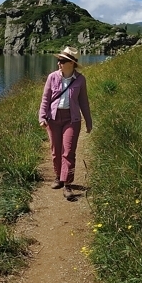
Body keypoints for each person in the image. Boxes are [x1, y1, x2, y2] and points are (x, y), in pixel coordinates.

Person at [38, 46, 92, 200]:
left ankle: (67, 184)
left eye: (62, 60)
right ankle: (58, 177)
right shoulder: (52, 77)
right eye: (58, 60)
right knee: (55, 152)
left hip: (72, 119)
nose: (59, 63)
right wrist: (42, 117)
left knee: (68, 152)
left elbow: (84, 102)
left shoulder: (80, 80)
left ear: (71, 63)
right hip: (53, 119)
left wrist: (88, 121)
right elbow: (45, 99)